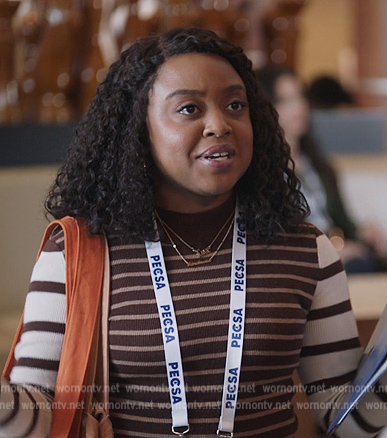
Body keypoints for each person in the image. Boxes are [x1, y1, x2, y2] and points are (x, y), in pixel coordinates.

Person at [1, 27, 387, 438]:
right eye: (189, 109)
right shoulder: (78, 250)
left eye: (235, 105)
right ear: (138, 128)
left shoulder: (305, 249)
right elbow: (40, 414)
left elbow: (345, 420)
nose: (219, 124)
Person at [256, 64, 387, 274]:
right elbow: (277, 239)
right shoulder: (262, 173)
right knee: (359, 267)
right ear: (266, 108)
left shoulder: (318, 165)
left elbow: (343, 223)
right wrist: (333, 249)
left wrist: (365, 234)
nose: (299, 107)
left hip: (339, 253)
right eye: (285, 101)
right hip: (305, 262)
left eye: (300, 97)